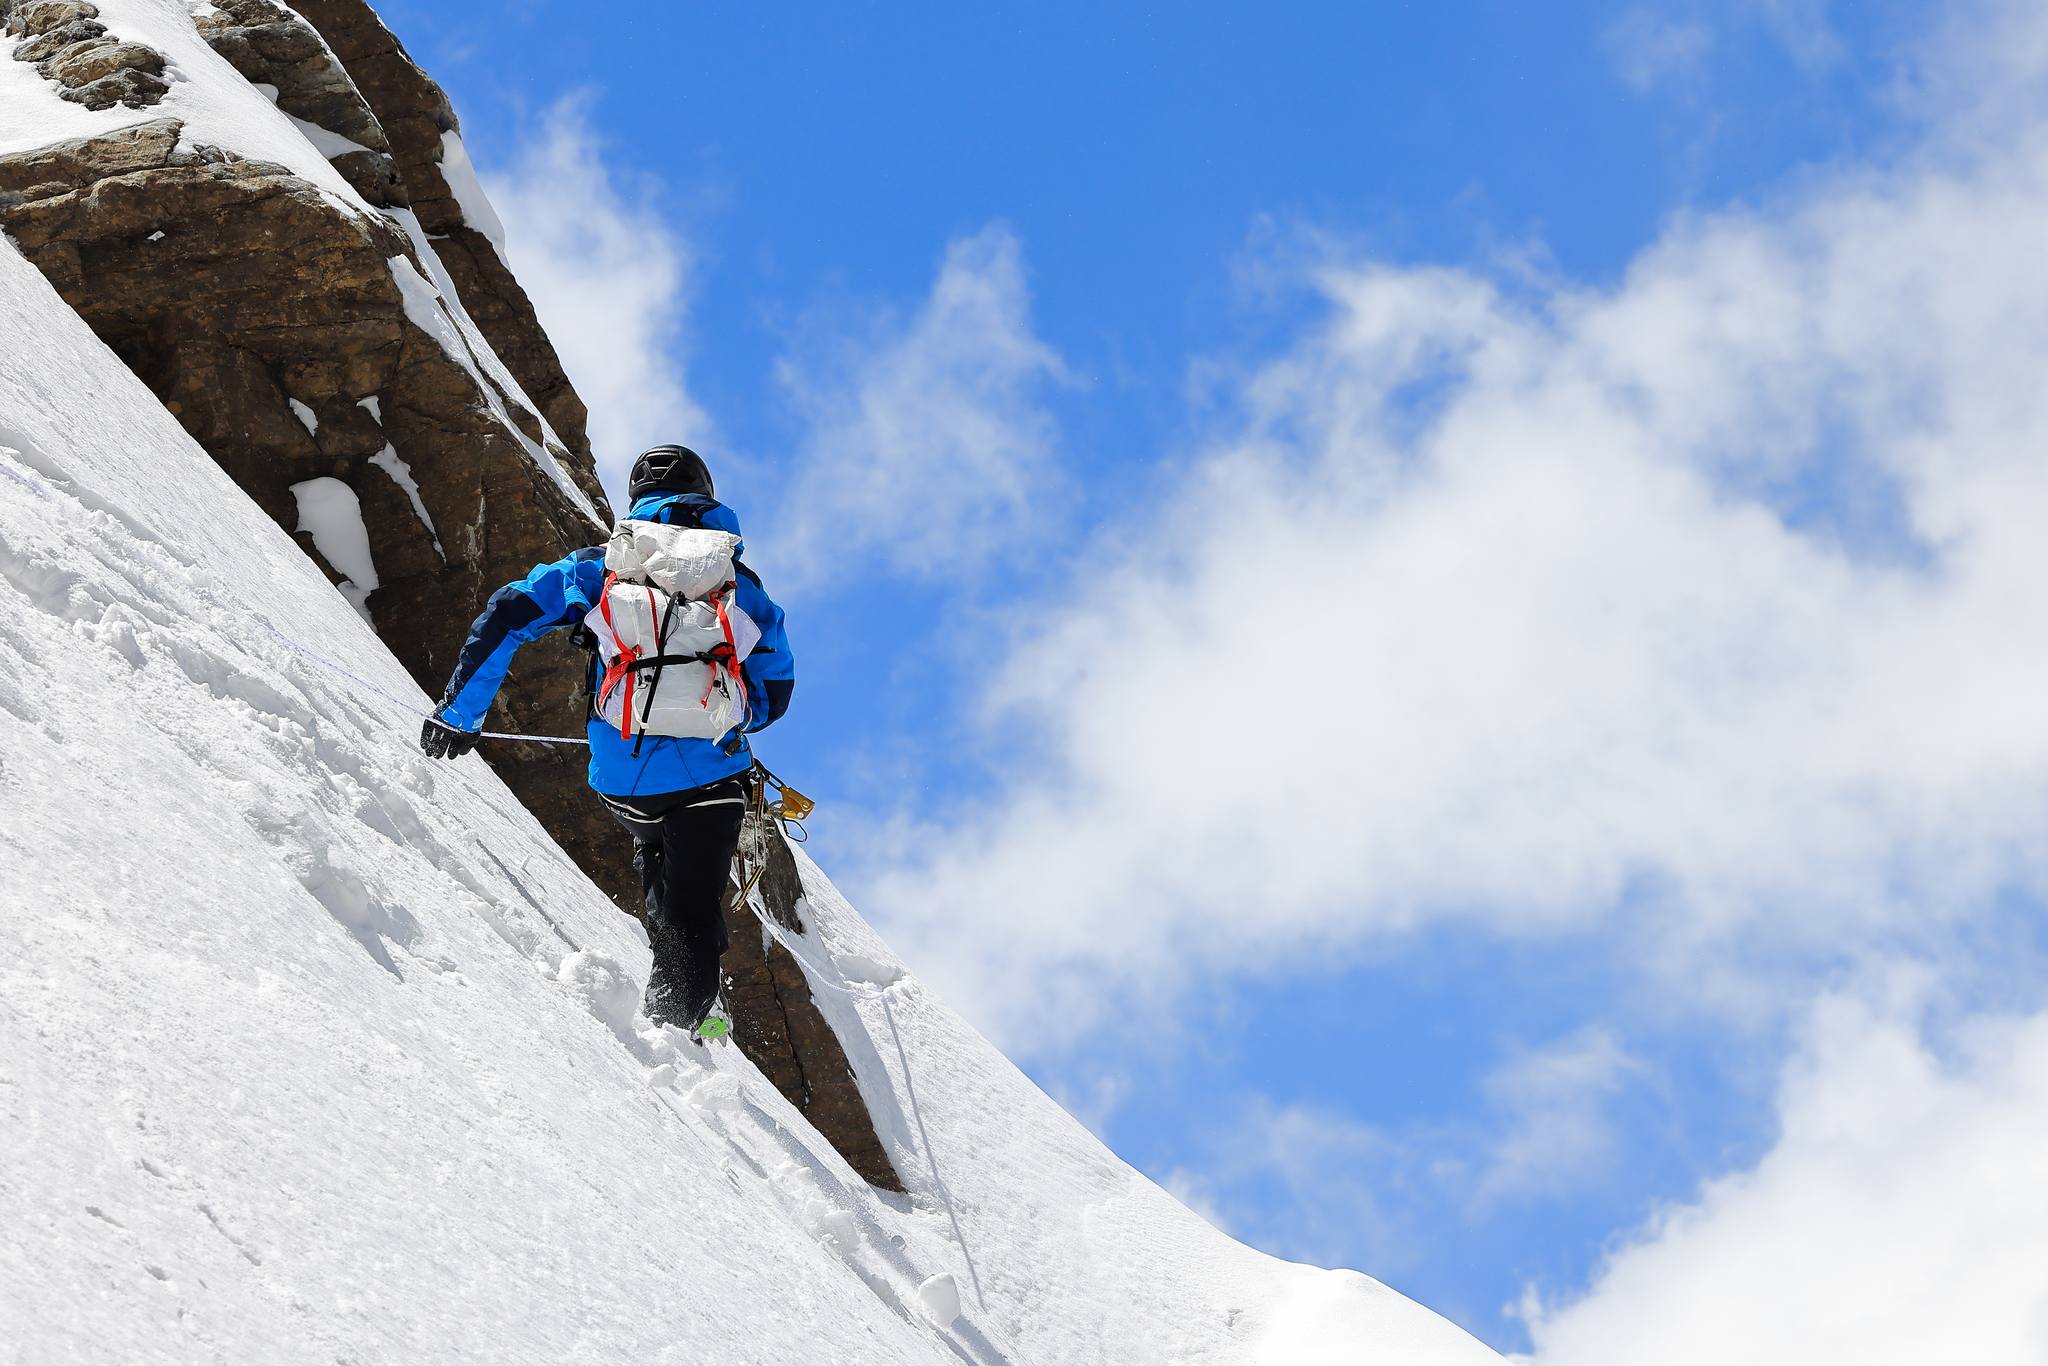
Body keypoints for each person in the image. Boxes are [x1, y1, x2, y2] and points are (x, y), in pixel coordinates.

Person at [419, 445, 794, 1040]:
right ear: (707, 494)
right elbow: (775, 695)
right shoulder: (739, 587)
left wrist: (461, 714)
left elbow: (507, 613)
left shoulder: (603, 568)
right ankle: (672, 1040)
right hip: (712, 779)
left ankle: (677, 1009)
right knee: (692, 915)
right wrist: (713, 711)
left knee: (665, 890)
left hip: (624, 781)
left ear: (637, 499)